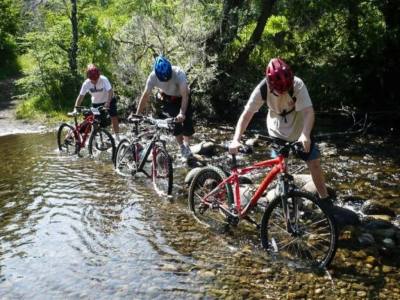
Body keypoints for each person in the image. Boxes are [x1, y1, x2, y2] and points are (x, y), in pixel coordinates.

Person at [229, 58, 358, 226]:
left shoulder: (297, 84)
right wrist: (236, 139)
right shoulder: (262, 88)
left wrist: (305, 135)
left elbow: (308, 112)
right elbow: (247, 115)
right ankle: (285, 201)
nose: (282, 93)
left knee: (314, 162)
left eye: (285, 89)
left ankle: (325, 200)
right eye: (278, 90)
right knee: (282, 170)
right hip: (277, 130)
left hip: (299, 129)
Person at [135, 55, 195, 160]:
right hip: (168, 99)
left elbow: (185, 96)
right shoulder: (152, 77)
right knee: (174, 122)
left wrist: (182, 112)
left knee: (187, 123)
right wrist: (138, 114)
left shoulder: (179, 73)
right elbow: (145, 96)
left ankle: (187, 145)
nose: (166, 80)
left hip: (183, 97)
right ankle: (181, 147)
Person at [74, 64, 120, 141]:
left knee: (113, 116)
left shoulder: (104, 79)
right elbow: (81, 96)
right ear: (89, 78)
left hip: (109, 100)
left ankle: (117, 136)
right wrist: (76, 108)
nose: (95, 81)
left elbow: (110, 91)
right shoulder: (86, 83)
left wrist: (108, 102)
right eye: (93, 80)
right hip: (96, 103)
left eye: (96, 79)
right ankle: (94, 139)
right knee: (95, 121)